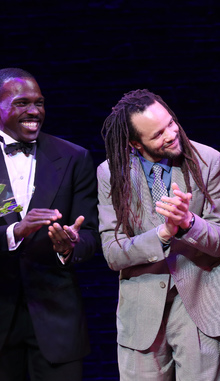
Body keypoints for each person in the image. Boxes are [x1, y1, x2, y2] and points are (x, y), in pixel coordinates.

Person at [98, 89, 220, 380]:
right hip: (141, 312)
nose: (171, 135)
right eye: (157, 135)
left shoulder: (209, 160)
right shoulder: (112, 172)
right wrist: (163, 233)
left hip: (199, 304)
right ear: (135, 143)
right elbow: (112, 251)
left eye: (171, 123)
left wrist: (189, 222)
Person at [0, 68, 100, 380]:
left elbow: (91, 235)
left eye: (39, 102)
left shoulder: (73, 157)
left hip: (56, 320)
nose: (34, 111)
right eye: (21, 103)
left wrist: (70, 245)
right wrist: (15, 231)